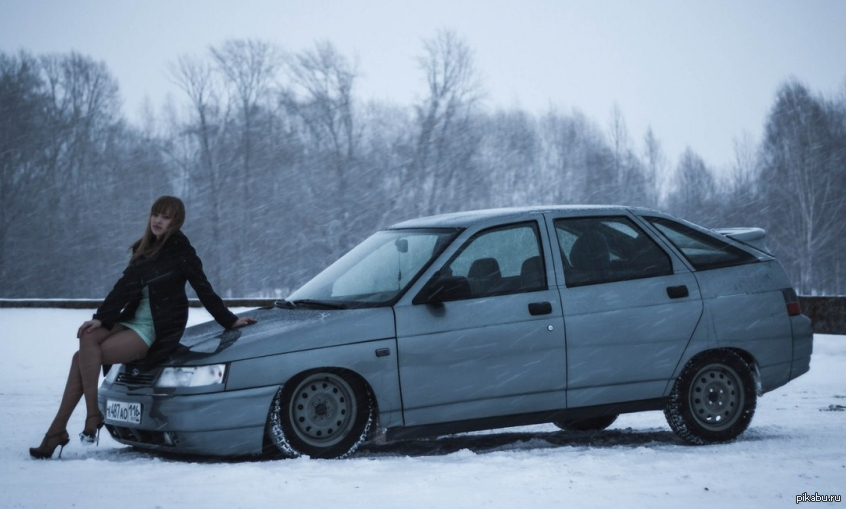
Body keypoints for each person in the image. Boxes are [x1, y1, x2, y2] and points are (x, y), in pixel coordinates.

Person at [29, 196, 256, 459]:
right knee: (87, 334)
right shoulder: (144, 249)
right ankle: (92, 414)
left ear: (176, 221)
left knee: (82, 359)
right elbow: (123, 288)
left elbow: (203, 288)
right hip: (131, 319)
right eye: (156, 214)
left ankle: (59, 431)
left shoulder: (181, 251)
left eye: (166, 216)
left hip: (154, 327)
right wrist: (101, 318)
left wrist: (229, 320)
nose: (158, 220)